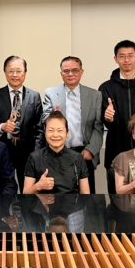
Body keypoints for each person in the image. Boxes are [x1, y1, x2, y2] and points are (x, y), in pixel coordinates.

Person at [98, 40, 135, 194]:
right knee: (117, 199)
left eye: (130, 55)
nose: (126, 60)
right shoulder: (106, 88)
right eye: (122, 56)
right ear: (115, 59)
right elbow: (104, 122)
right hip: (116, 152)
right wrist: (108, 118)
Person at [42, 56, 103, 193]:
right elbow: (44, 119)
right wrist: (54, 116)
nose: (70, 74)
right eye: (66, 71)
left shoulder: (95, 95)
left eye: (75, 70)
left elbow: (98, 126)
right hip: (58, 151)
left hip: (84, 152)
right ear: (61, 73)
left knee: (87, 197)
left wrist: (90, 150)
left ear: (81, 72)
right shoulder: (51, 93)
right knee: (58, 196)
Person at [0, 55, 43, 191]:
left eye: (19, 71)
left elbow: (40, 129)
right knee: (5, 190)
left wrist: (36, 154)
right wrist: (2, 126)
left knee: (28, 191)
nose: (15, 75)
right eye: (11, 71)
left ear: (25, 73)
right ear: (5, 73)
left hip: (28, 153)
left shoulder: (34, 96)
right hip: (3, 151)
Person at [24, 111, 90, 194]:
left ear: (67, 133)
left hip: (72, 202)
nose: (55, 135)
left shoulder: (77, 158)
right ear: (45, 133)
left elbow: (85, 194)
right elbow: (26, 194)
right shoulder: (34, 158)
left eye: (60, 130)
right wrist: (38, 186)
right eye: (51, 130)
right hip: (43, 202)